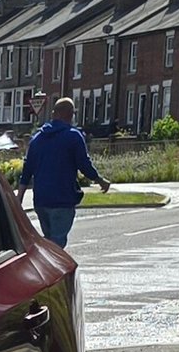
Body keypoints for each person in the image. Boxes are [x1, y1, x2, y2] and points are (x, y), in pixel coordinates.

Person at [16, 97, 111, 248]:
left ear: (54, 114)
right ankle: (51, 270)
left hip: (41, 201)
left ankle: (47, 267)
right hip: (62, 199)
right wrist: (100, 180)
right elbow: (84, 164)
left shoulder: (37, 139)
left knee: (49, 241)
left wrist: (19, 198)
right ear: (71, 115)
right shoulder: (73, 136)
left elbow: (27, 170)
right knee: (57, 245)